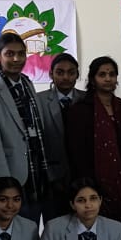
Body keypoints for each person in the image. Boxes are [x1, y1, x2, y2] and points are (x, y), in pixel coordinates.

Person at [0, 31, 51, 223]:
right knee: (12, 228)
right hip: (11, 173)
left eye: (21, 54)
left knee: (31, 228)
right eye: (9, 54)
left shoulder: (26, 82)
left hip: (36, 168)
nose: (16, 59)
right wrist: (4, 183)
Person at [65, 55, 121, 222]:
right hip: (91, 178)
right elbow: (76, 151)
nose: (108, 79)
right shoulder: (79, 111)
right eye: (102, 74)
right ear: (93, 79)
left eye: (112, 74)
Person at [35, 53, 86, 196]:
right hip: (50, 175)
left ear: (77, 75)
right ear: (51, 74)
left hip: (83, 173)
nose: (65, 77)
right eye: (60, 72)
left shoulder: (86, 99)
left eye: (71, 73)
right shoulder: (38, 100)